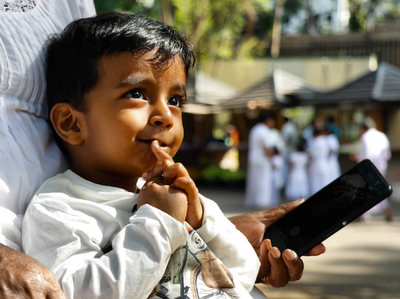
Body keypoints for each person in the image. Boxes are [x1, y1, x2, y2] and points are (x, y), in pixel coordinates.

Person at [0, 3, 324, 298]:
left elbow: (241, 274)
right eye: (138, 93)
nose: (165, 115)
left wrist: (202, 221)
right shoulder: (60, 209)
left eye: (175, 100)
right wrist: (158, 222)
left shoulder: (172, 197)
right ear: (71, 123)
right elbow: (82, 293)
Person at [350, 117, 393, 221]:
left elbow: (365, 155)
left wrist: (356, 156)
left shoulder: (365, 137)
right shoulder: (382, 135)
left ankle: (384, 211)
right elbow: (388, 155)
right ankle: (363, 214)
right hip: (381, 166)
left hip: (369, 168)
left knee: (371, 189)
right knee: (375, 189)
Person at [245, 113, 276, 209]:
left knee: (254, 181)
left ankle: (253, 201)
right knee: (263, 181)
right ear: (268, 121)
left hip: (253, 159)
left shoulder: (255, 129)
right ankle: (262, 202)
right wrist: (272, 160)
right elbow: (267, 148)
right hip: (262, 160)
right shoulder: (264, 130)